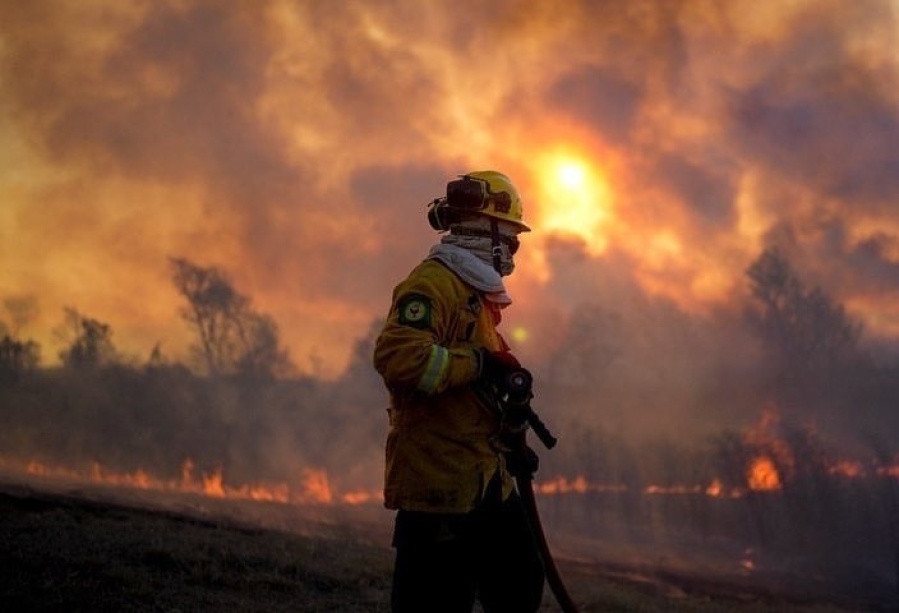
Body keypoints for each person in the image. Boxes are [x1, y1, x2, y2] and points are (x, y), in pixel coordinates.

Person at [372, 171, 545, 612]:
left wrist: (510, 441)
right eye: (511, 239)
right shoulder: (432, 284)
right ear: (486, 232)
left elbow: (473, 395)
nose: (513, 252)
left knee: (521, 580)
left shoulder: (476, 294)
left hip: (485, 480)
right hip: (438, 488)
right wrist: (480, 364)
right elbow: (400, 359)